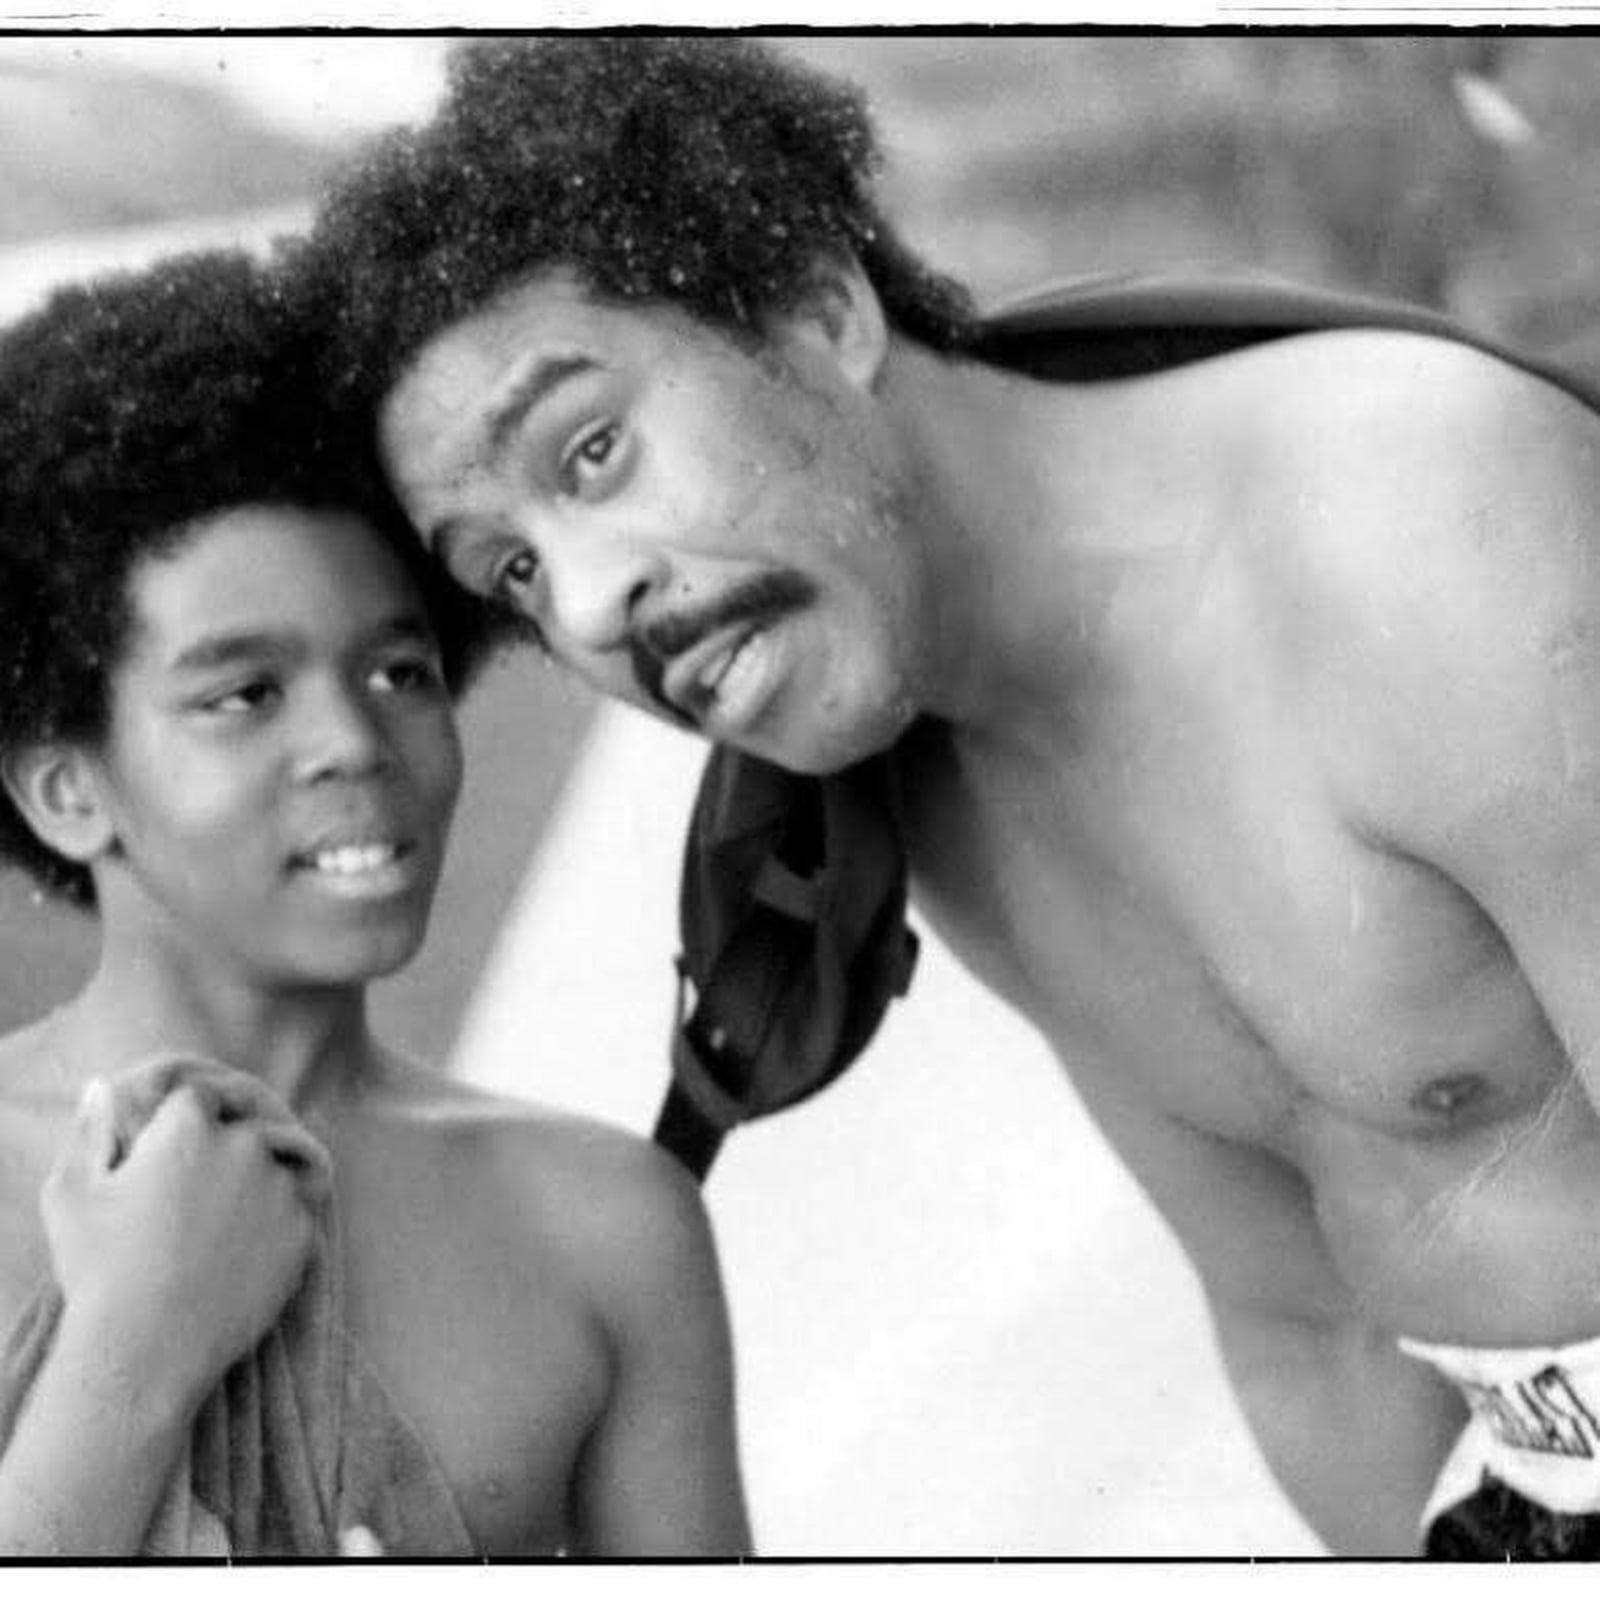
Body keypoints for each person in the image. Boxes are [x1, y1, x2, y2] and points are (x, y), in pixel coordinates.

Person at [302, 35, 1600, 1558]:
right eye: (513, 571)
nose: (591, 606)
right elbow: (1305, 1326)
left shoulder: (1413, 516)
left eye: (591, 450)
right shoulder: (920, 754)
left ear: (819, 309)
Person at [0, 250, 750, 1558]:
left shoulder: (603, 1225)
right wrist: (135, 1351)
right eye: (244, 693)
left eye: (401, 671)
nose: (356, 741)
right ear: (68, 788)